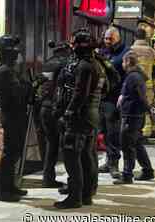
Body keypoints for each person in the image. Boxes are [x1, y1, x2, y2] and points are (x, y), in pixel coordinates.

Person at [54, 29, 106, 209]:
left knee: (72, 156)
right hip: (91, 115)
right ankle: (86, 194)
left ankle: (75, 196)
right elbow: (104, 88)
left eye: (74, 44)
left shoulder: (84, 66)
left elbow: (79, 94)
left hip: (79, 116)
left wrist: (68, 113)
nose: (72, 47)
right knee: (86, 156)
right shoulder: (97, 65)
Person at [0, 35, 30, 202]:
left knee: (14, 153)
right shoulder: (4, 71)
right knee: (10, 153)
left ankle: (10, 186)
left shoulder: (6, 69)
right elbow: (17, 93)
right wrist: (29, 86)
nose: (17, 56)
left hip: (14, 114)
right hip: (13, 114)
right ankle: (3, 191)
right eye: (14, 53)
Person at [114, 51, 154, 184]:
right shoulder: (136, 76)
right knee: (137, 144)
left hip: (131, 116)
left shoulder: (133, 77)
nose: (123, 64)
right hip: (135, 115)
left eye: (124, 62)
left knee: (127, 145)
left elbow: (140, 97)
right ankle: (148, 171)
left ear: (128, 62)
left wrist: (147, 111)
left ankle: (127, 175)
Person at [39, 41, 72, 188]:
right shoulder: (65, 64)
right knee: (67, 146)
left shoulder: (47, 63)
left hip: (44, 107)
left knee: (50, 145)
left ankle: (48, 178)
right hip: (57, 109)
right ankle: (73, 180)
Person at [98, 27, 129, 178]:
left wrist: (123, 94)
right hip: (101, 98)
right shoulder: (103, 52)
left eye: (111, 39)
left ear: (118, 38)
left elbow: (128, 76)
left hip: (114, 99)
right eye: (106, 38)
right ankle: (108, 161)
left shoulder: (125, 53)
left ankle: (114, 164)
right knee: (103, 131)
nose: (107, 41)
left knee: (113, 132)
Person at [130, 28, 155, 139]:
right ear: (145, 37)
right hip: (148, 85)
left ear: (134, 37)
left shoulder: (131, 49)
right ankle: (144, 134)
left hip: (133, 84)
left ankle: (133, 132)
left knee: (133, 108)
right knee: (146, 109)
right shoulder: (151, 51)